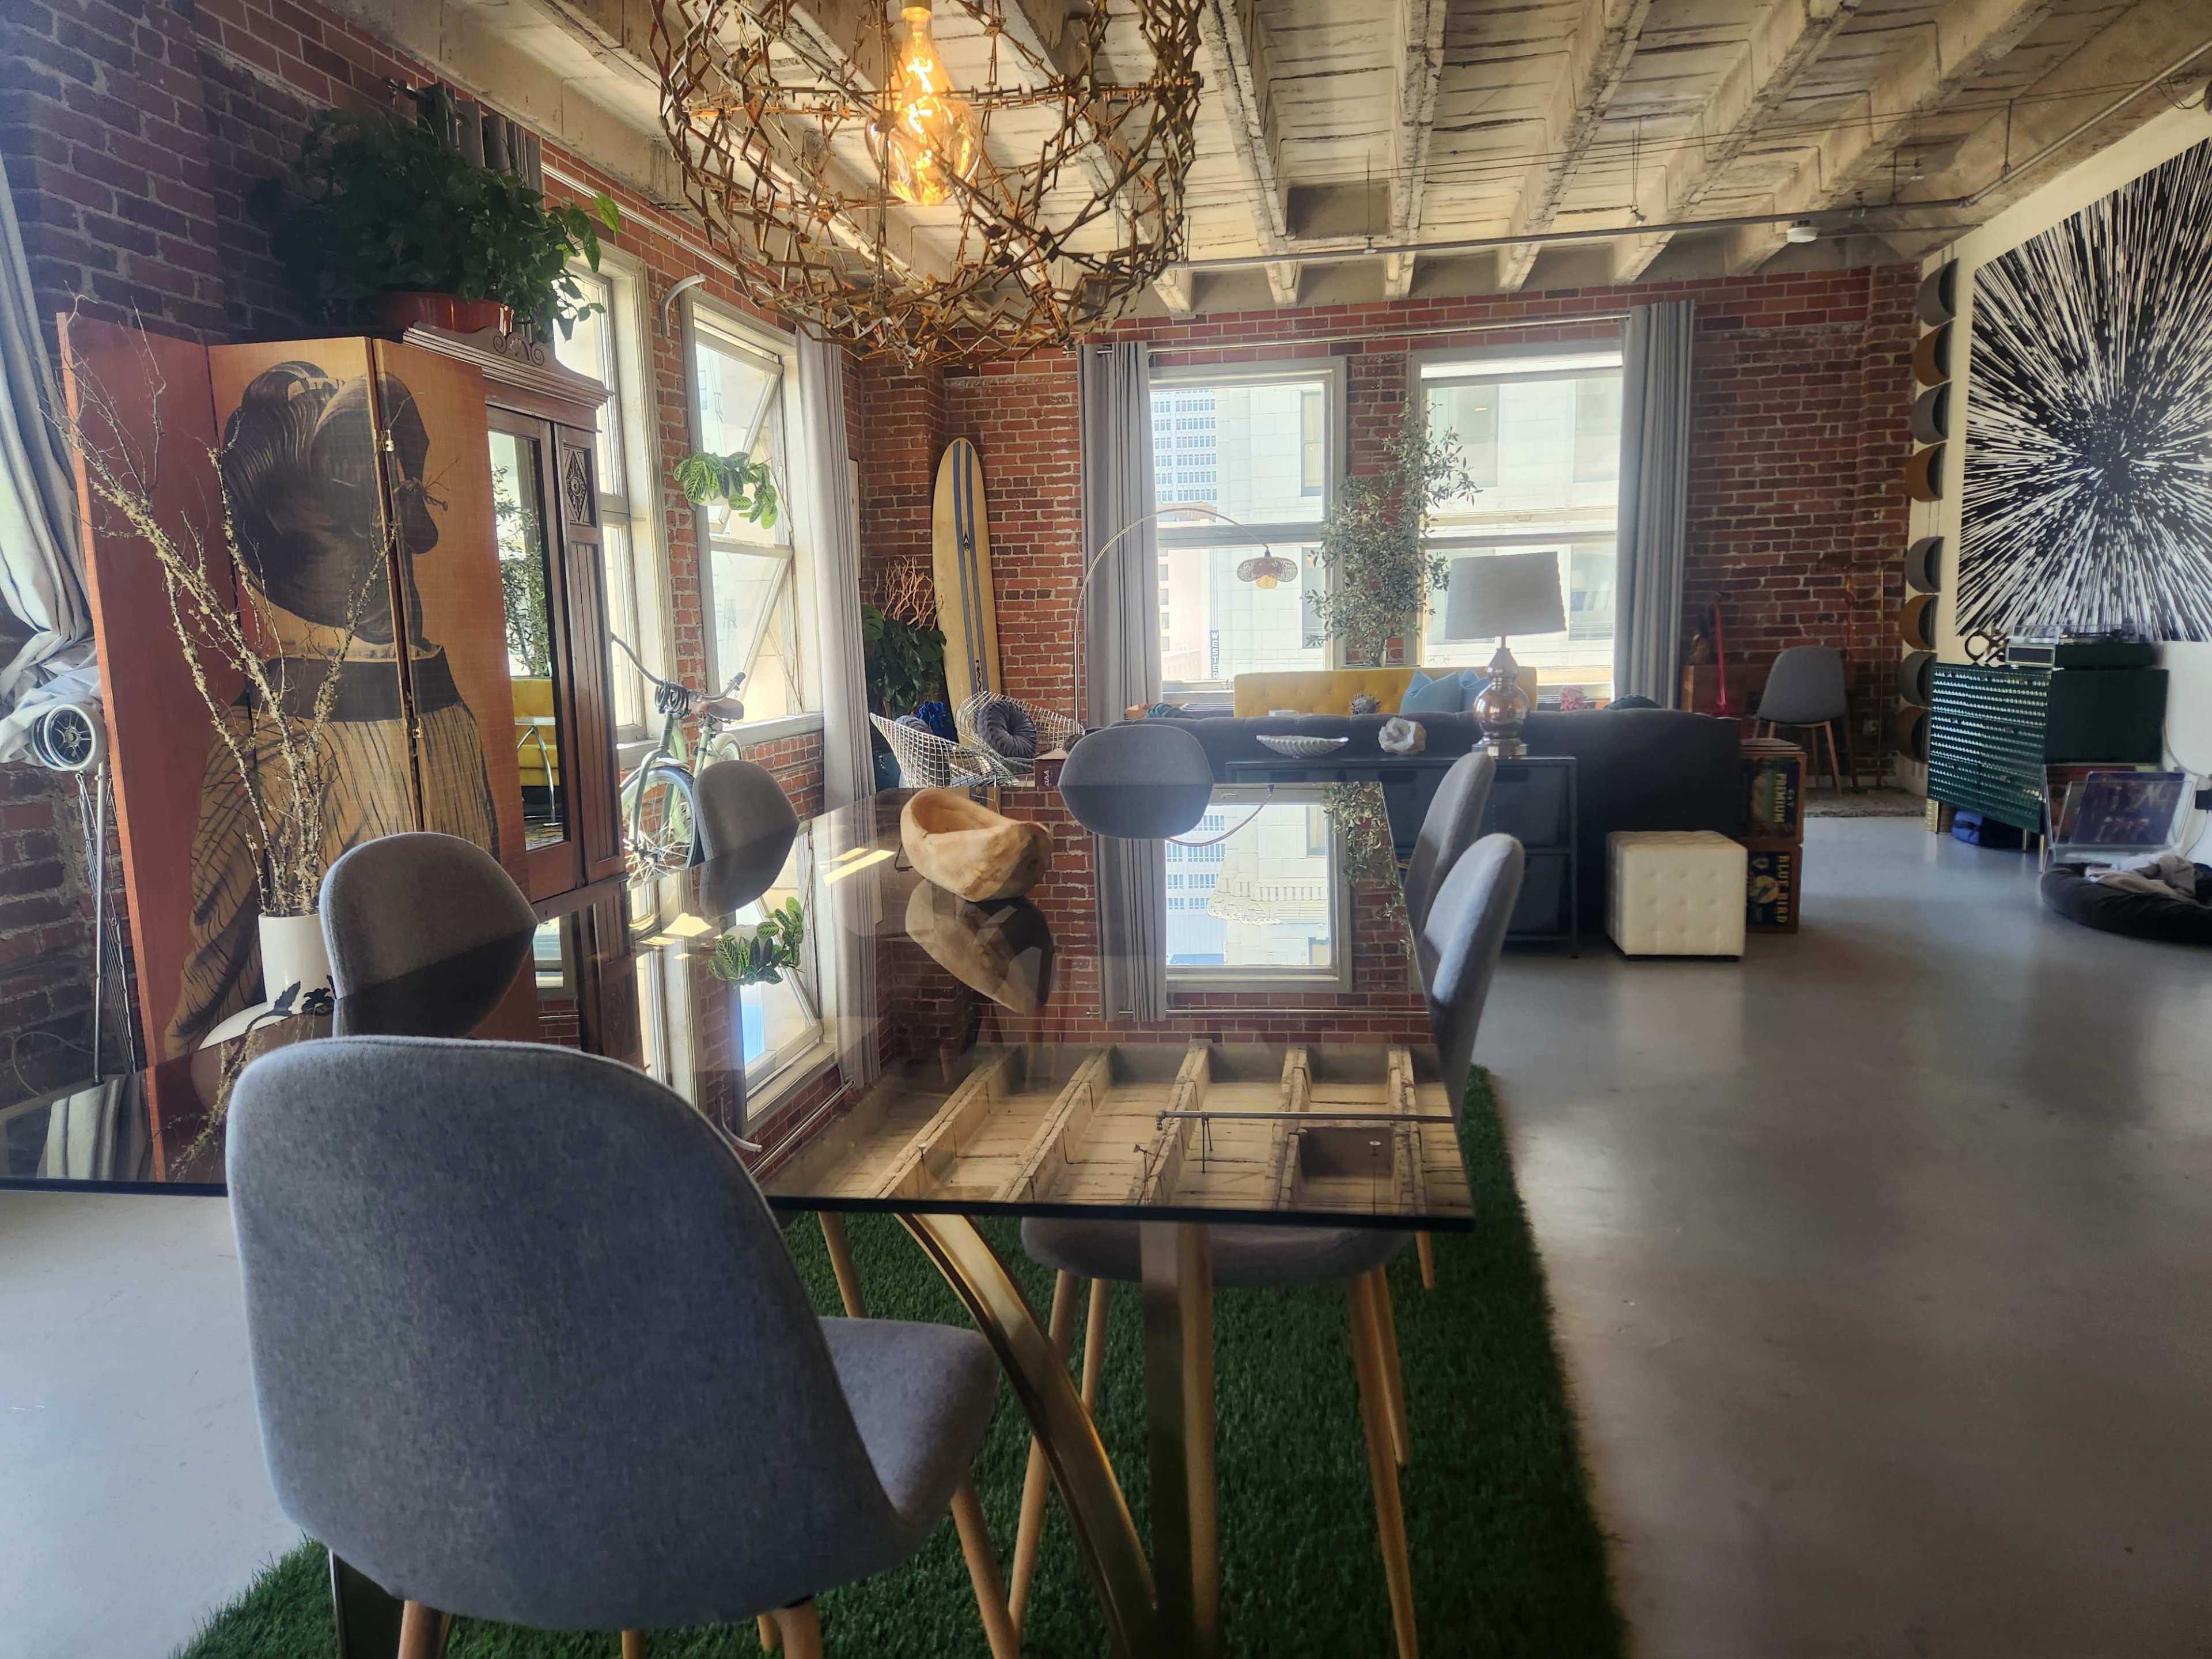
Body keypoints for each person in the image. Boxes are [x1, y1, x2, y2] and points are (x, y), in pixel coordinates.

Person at [166, 361, 498, 1055]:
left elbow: (214, 979)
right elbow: (216, 995)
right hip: (362, 1061)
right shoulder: (275, 736)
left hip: (404, 1049)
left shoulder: (423, 701)